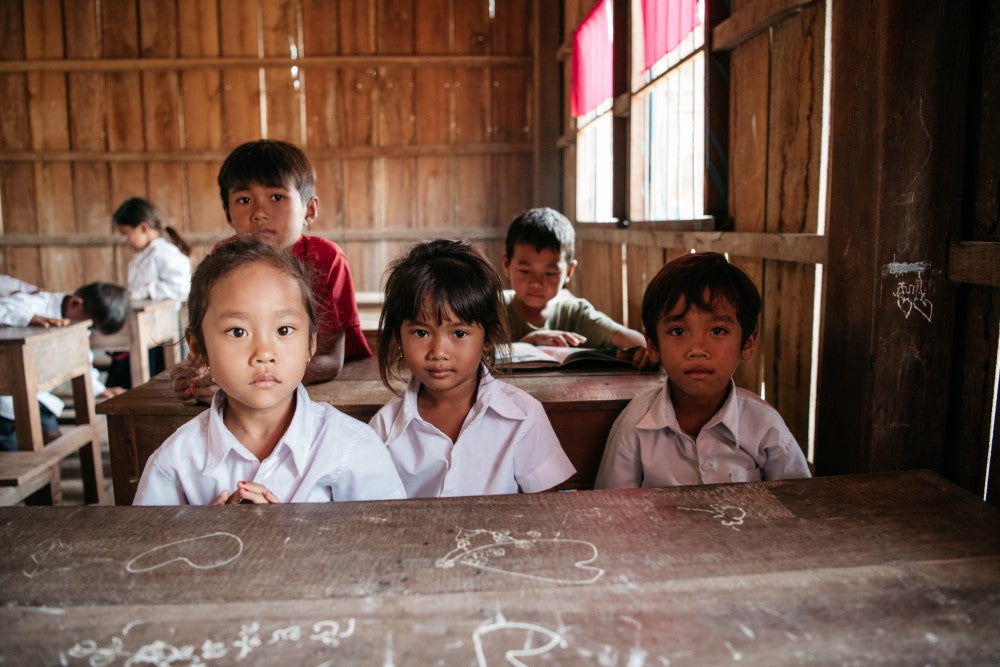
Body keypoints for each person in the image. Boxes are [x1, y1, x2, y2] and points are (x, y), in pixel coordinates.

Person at [133, 236, 405, 505]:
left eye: (283, 330)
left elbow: (388, 542)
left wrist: (283, 534)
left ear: (311, 343)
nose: (264, 353)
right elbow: (151, 547)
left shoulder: (353, 448)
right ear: (198, 347)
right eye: (238, 331)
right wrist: (212, 537)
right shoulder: (173, 466)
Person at [370, 238, 576, 498]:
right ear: (399, 337)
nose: (438, 352)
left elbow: (547, 508)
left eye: (459, 333)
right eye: (421, 332)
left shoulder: (523, 416)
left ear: (488, 339)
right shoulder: (384, 428)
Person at [172, 139, 370, 405]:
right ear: (229, 214)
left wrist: (237, 381)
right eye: (244, 200)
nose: (259, 213)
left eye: (277, 197)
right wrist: (196, 374)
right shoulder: (222, 261)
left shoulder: (327, 259)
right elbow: (209, 346)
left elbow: (331, 361)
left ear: (309, 209)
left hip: (330, 381)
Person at [594, 252, 811, 488]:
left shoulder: (764, 425)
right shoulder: (635, 425)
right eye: (678, 331)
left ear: (747, 343)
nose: (697, 350)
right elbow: (613, 512)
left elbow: (799, 503)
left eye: (718, 331)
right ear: (653, 345)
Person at [501, 207, 651, 368]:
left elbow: (635, 340)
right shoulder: (491, 307)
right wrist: (527, 344)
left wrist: (645, 351)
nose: (536, 283)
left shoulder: (575, 312)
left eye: (550, 273)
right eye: (525, 271)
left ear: (569, 271)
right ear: (507, 265)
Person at [0, 281, 130, 451]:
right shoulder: (37, 303)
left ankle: (51, 477)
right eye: (92, 326)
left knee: (52, 439)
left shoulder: (76, 319)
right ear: (76, 303)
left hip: (33, 392)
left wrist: (98, 389)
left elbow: (82, 357)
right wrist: (29, 318)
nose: (90, 331)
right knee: (12, 450)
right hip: (6, 392)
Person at [108, 197, 193, 388]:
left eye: (126, 233)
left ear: (144, 228)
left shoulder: (164, 252)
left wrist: (144, 292)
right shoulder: (142, 256)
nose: (125, 240)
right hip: (143, 328)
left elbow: (181, 287)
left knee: (157, 377)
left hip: (160, 329)